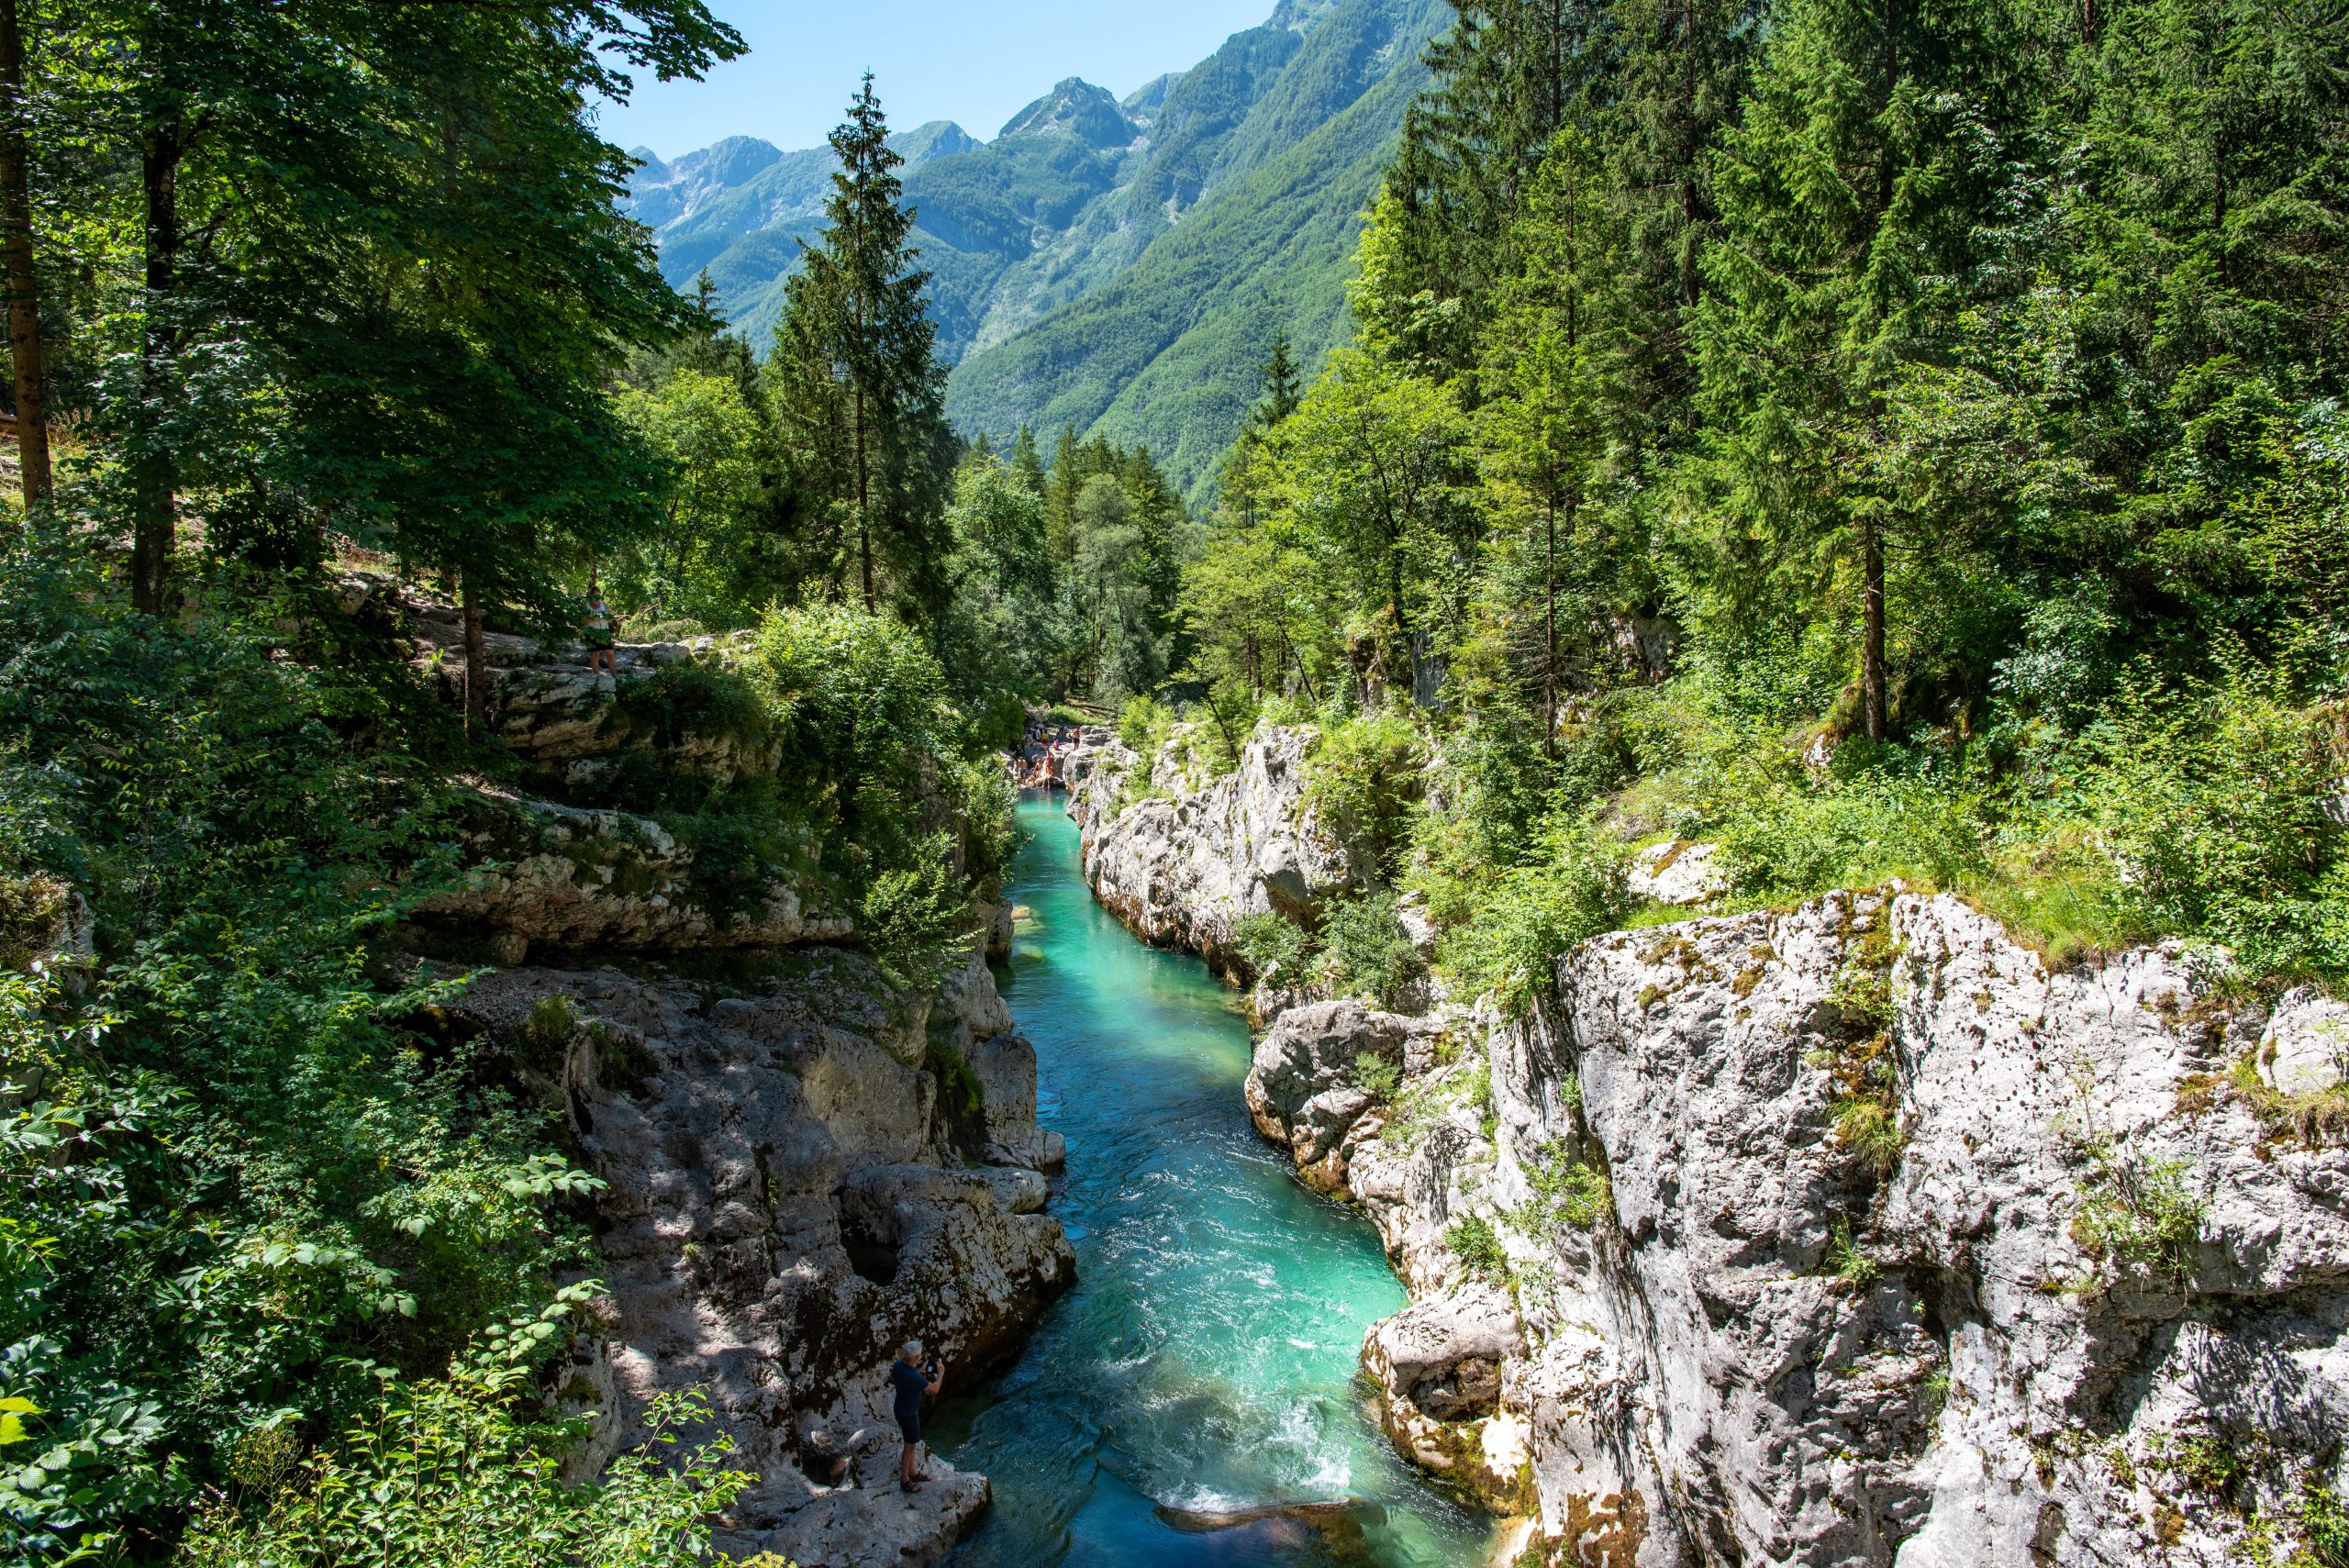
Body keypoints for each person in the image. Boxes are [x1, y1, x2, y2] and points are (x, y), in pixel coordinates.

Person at [889, 1340, 944, 1493]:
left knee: (912, 1443)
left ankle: (913, 1471)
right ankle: (905, 1479)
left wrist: (920, 1369)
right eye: (919, 1356)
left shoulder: (899, 1366)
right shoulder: (913, 1376)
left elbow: (910, 1375)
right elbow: (934, 1389)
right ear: (916, 1358)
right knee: (909, 1446)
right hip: (908, 1414)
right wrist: (941, 1374)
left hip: (902, 1409)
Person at [580, 580, 620, 677]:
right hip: (591, 632)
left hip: (604, 632)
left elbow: (611, 618)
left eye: (599, 595)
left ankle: (615, 678)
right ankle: (596, 677)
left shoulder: (604, 604)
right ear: (590, 596)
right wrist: (594, 617)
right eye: (596, 595)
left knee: (610, 654)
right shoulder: (586, 605)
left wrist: (607, 617)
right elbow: (583, 622)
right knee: (595, 654)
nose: (598, 598)